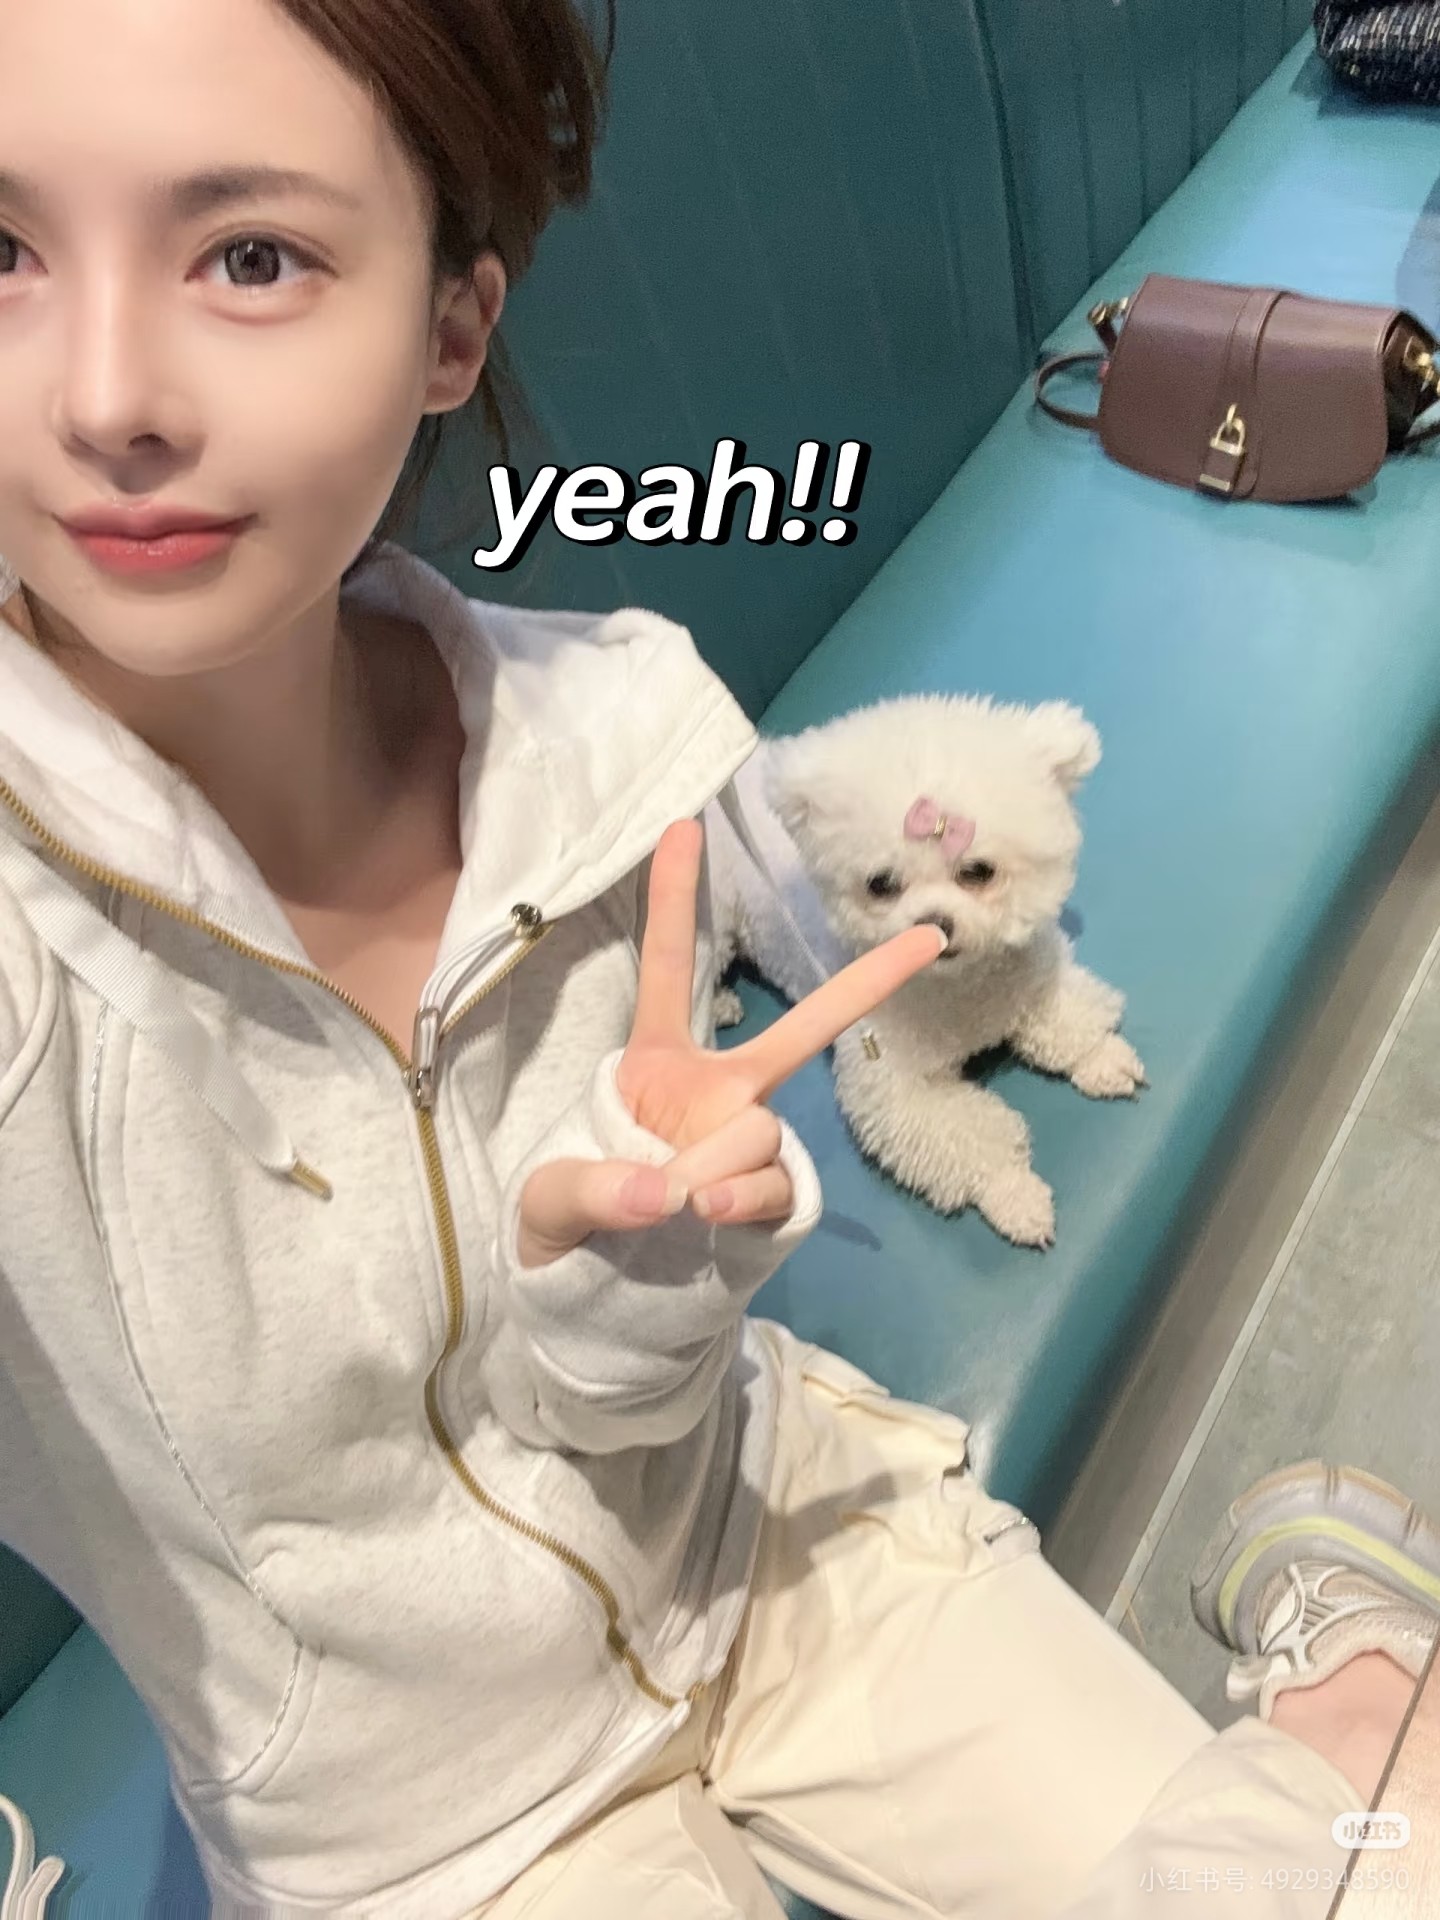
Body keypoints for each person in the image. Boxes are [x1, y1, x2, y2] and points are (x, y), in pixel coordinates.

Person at [0, 2, 1435, 1917]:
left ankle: (1354, 1700)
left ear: (450, 329)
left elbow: (622, 1393)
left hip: (772, 1548)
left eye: (250, 255)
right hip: (423, 1832)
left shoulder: (609, 745)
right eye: (1, 248)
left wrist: (647, 1282)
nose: (106, 396)